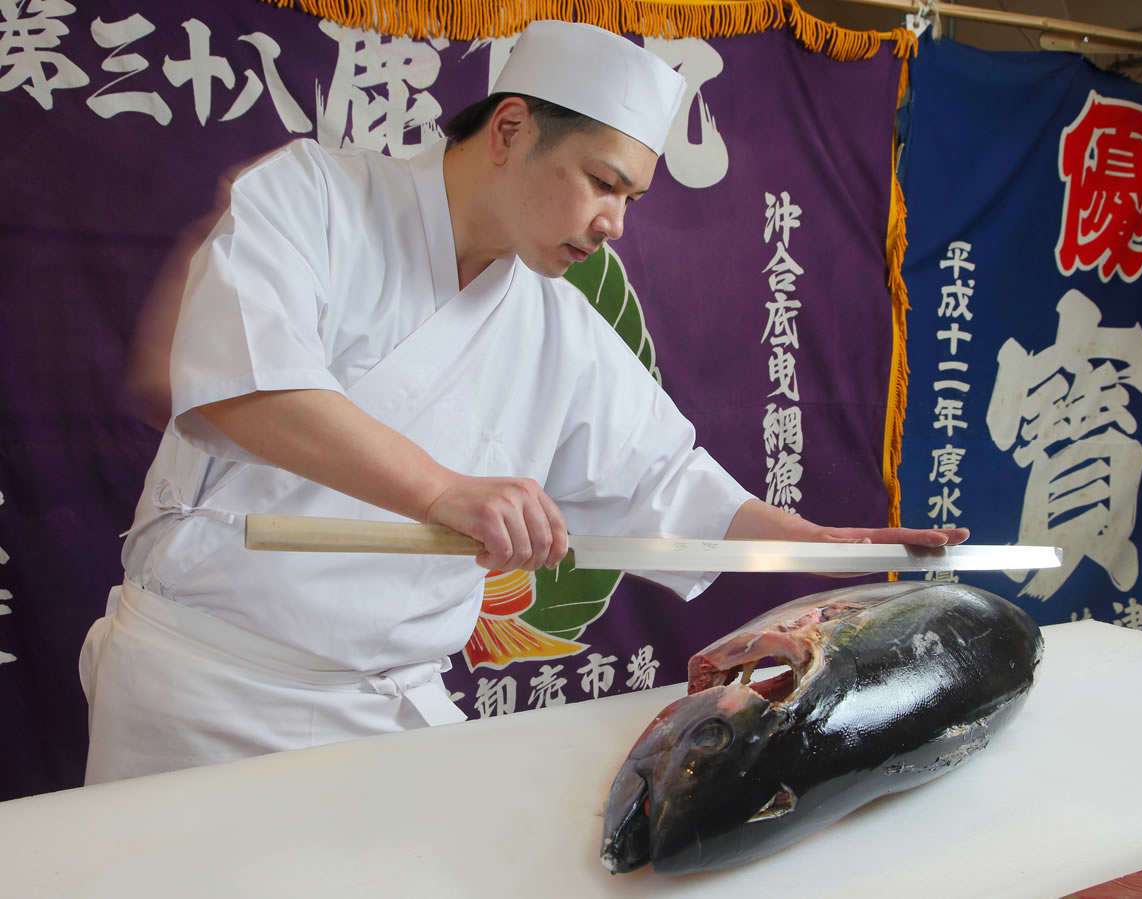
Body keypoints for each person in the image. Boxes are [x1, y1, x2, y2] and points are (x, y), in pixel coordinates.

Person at [79, 20, 968, 784]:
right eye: (603, 182)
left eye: (630, 197)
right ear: (510, 129)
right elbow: (247, 388)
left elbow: (668, 483)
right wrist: (440, 492)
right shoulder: (314, 197)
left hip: (386, 705)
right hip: (207, 689)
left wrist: (806, 546)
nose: (615, 220)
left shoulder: (556, 325)